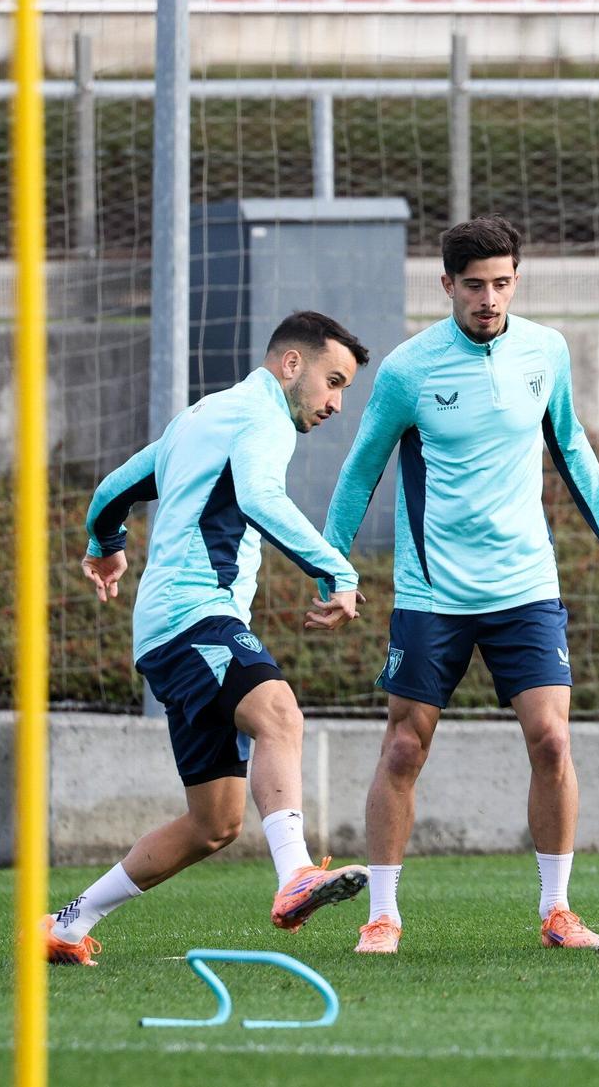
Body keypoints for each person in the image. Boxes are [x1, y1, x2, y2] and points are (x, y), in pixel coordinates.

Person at [323, 216, 599, 955]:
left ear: (515, 282)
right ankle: (382, 914)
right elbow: (361, 469)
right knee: (405, 747)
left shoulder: (546, 351)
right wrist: (334, 567)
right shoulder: (409, 369)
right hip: (433, 591)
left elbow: (572, 449)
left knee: (553, 741)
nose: (489, 298)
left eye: (501, 283)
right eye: (474, 285)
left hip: (526, 584)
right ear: (447, 286)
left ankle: (558, 909)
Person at [48, 312, 373, 964]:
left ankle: (65, 923)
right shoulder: (262, 418)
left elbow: (113, 490)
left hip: (166, 630)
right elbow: (257, 496)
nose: (336, 402)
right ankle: (295, 875)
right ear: (291, 365)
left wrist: (105, 545)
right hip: (195, 616)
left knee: (214, 822)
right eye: (332, 381)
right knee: (279, 715)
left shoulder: (198, 418)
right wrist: (334, 567)